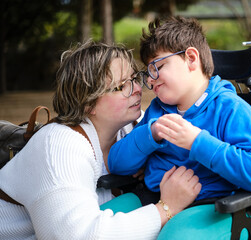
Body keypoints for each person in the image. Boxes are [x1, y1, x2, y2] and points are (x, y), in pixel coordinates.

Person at [0, 40, 201, 239]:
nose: (139, 89)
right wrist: (166, 208)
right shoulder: (59, 145)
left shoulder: (135, 126)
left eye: (135, 78)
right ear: (88, 103)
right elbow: (76, 236)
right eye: (123, 85)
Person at [108, 16, 251, 206]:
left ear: (191, 58)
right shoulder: (157, 111)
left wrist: (196, 141)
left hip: (208, 206)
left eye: (157, 66)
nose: (149, 80)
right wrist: (151, 135)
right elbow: (116, 164)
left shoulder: (230, 109)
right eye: (148, 72)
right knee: (103, 222)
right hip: (153, 198)